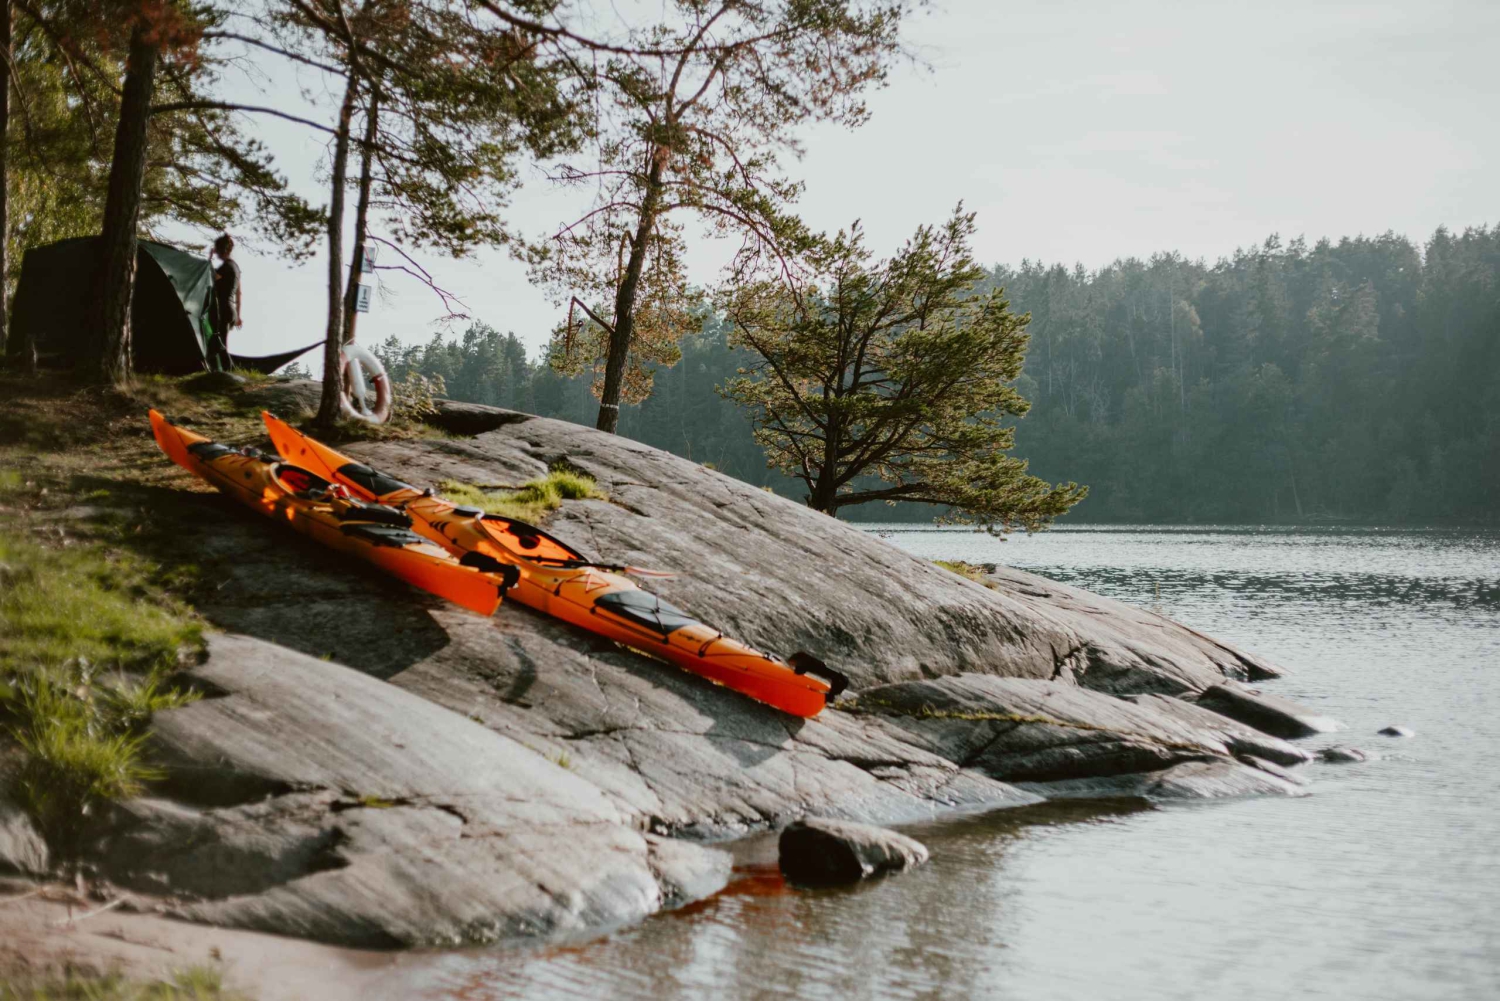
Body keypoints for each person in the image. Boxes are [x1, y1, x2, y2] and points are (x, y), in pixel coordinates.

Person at [206, 233, 242, 372]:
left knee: (219, 344)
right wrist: (238, 315)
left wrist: (209, 259)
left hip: (222, 309)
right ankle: (222, 372)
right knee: (220, 343)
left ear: (220, 250)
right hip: (231, 309)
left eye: (216, 250)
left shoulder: (225, 267)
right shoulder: (236, 268)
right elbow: (239, 293)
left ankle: (229, 373)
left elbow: (210, 276)